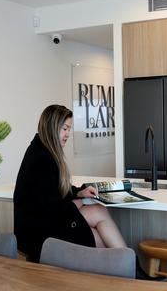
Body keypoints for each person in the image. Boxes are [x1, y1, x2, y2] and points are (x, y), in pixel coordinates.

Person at [14, 104, 127, 263]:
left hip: (44, 226)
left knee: (99, 212)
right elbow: (51, 208)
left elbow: (53, 191)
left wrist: (79, 193)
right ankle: (129, 268)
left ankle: (129, 266)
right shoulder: (42, 159)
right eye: (65, 129)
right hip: (41, 234)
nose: (67, 134)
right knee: (100, 239)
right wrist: (79, 202)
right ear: (53, 127)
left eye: (69, 129)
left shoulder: (42, 150)